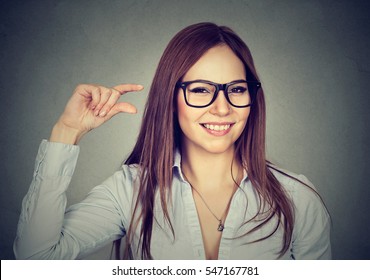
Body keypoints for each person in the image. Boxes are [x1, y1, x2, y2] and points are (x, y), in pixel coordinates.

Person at [13, 22, 331, 260]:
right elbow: (34, 260)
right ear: (171, 96)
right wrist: (66, 131)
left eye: (236, 89)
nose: (222, 108)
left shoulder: (297, 198)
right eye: (200, 89)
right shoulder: (130, 191)